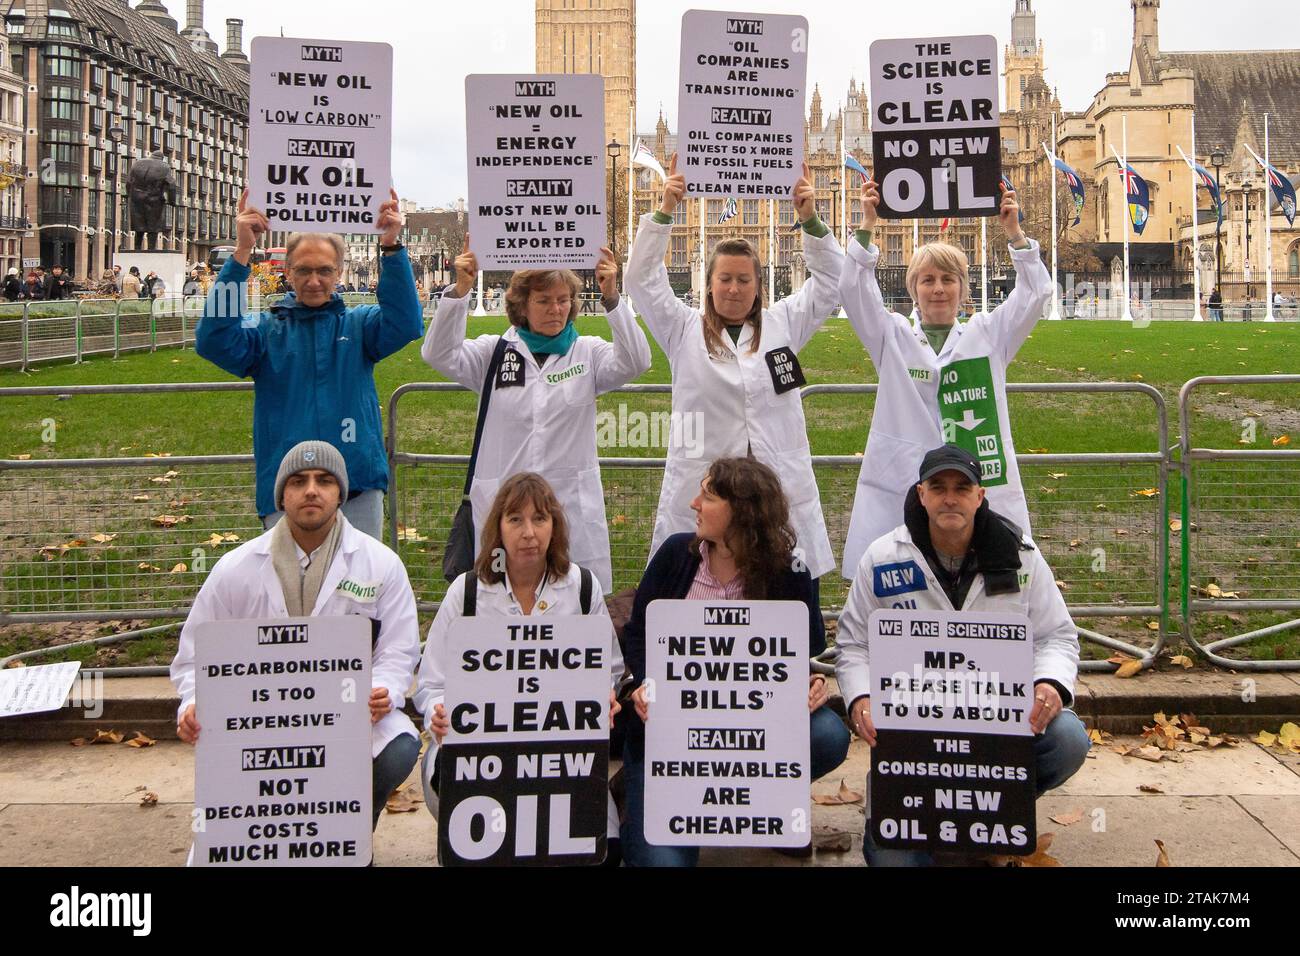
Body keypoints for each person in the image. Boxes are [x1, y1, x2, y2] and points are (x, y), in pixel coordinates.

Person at [835, 444, 1088, 867]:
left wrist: (1049, 683)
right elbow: (853, 643)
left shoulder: (1021, 556)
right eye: (938, 487)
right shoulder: (882, 558)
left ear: (980, 496)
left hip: (996, 731)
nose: (950, 497)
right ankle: (924, 812)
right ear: (921, 495)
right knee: (893, 862)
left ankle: (993, 809)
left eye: (962, 487)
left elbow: (1056, 637)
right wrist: (861, 698)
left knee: (1068, 740)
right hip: (910, 741)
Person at [170, 441, 422, 835]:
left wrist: (383, 690)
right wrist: (193, 702)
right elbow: (194, 655)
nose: (311, 490)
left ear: (340, 493)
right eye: (298, 481)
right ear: (282, 496)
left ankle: (351, 838)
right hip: (259, 719)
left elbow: (399, 650)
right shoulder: (235, 569)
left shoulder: (380, 565)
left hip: (346, 715)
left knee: (399, 750)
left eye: (324, 480)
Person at [625, 155, 844, 590]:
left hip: (774, 479)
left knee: (783, 585)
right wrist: (666, 207)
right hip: (704, 477)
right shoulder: (681, 328)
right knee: (696, 581)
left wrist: (811, 220)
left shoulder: (783, 323)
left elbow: (832, 283)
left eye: (744, 280)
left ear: (759, 286)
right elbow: (640, 278)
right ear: (709, 284)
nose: (734, 288)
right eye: (725, 278)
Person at [619, 457, 851, 866]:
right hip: (670, 739)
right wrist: (644, 682)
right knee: (662, 863)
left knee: (828, 734)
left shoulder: (790, 573)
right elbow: (638, 632)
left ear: (742, 511)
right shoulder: (676, 555)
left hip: (753, 737)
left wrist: (808, 684)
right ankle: (637, 794)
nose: (693, 503)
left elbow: (800, 652)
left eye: (707, 496)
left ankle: (761, 808)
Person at [837, 178, 1053, 577]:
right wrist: (867, 223)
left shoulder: (989, 333)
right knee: (898, 576)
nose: (938, 289)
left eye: (948, 279)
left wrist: (1014, 232)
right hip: (905, 472)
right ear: (913, 289)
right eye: (928, 280)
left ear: (963, 289)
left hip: (972, 474)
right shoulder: (892, 335)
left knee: (983, 577)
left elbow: (1036, 295)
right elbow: (852, 290)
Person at [414, 472, 628, 863]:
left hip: (562, 751)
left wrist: (605, 696)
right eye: (515, 519)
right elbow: (430, 684)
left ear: (555, 526)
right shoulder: (467, 592)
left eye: (540, 519)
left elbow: (608, 669)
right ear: (497, 527)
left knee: (606, 853)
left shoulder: (582, 587)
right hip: (480, 751)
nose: (529, 532)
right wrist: (437, 712)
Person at [423, 237, 651, 590]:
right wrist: (461, 291)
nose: (556, 309)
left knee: (570, 603)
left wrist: (612, 299)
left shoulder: (587, 354)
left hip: (568, 505)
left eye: (563, 300)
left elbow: (637, 360)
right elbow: (438, 354)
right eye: (544, 301)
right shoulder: (494, 354)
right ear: (522, 305)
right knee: (502, 602)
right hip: (505, 504)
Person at [196, 188, 422, 540]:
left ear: (339, 271)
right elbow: (213, 340)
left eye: (324, 270)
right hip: (288, 484)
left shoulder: (359, 326)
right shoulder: (265, 331)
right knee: (289, 591)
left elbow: (406, 322)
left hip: (357, 481)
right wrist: (241, 254)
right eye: (303, 270)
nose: (314, 281)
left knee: (359, 588)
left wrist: (392, 248)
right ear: (287, 270)